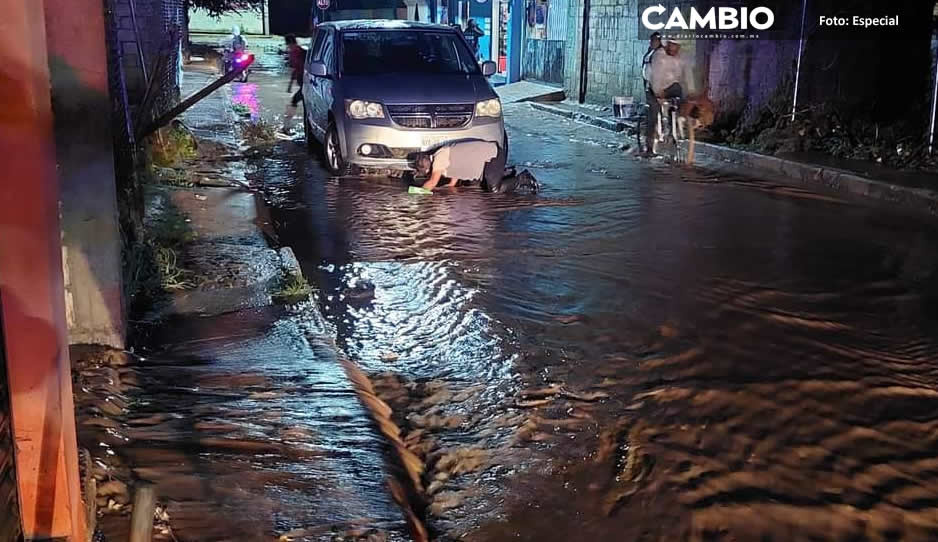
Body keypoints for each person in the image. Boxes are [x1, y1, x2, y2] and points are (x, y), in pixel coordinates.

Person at [413, 139, 533, 193]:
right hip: (491, 157)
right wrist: (450, 186)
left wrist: (416, 196)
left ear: (427, 167)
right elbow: (454, 172)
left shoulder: (439, 159)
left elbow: (432, 182)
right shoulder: (441, 154)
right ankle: (509, 173)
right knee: (482, 184)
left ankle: (522, 178)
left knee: (494, 190)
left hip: (492, 156)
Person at [642, 32, 663, 155]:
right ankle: (649, 147)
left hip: (663, 87)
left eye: (656, 41)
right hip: (651, 89)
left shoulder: (662, 54)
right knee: (652, 116)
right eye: (652, 41)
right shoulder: (649, 54)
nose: (654, 43)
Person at [282, 34, 307, 133]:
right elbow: (295, 69)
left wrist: (291, 84)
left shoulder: (296, 51)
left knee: (296, 101)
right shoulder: (298, 50)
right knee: (299, 102)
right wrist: (290, 84)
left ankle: (287, 126)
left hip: (306, 82)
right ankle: (287, 126)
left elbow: (297, 67)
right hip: (304, 81)